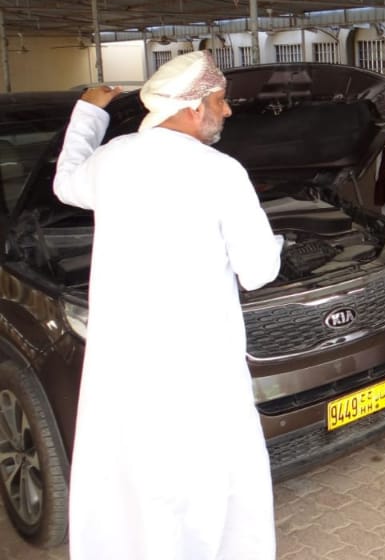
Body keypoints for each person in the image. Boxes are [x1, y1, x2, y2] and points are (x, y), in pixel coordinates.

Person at [53, 51, 282, 559]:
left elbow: (65, 183)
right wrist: (276, 243)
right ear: (193, 106)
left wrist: (88, 113)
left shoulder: (112, 159)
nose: (227, 111)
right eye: (220, 101)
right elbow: (259, 270)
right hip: (198, 363)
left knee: (137, 470)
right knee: (206, 474)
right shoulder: (220, 171)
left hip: (129, 362)